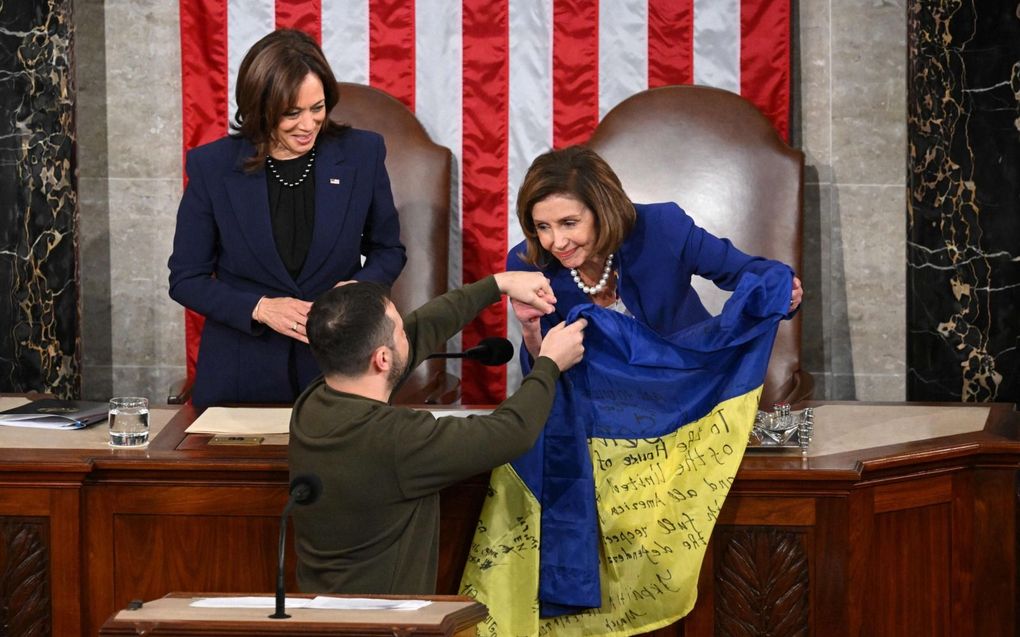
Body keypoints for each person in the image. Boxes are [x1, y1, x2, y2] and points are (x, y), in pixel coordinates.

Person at [288, 271, 587, 594]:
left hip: (323, 615)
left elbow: (420, 331)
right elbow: (512, 431)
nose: (409, 333)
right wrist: (549, 364)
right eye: (401, 330)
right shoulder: (395, 440)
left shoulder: (312, 405)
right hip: (387, 625)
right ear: (382, 358)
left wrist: (497, 285)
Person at [168, 29, 405, 406]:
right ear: (259, 107)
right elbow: (186, 278)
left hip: (339, 369)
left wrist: (356, 291)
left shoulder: (362, 154)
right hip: (241, 373)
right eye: (291, 113)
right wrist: (260, 308)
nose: (309, 124)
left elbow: (388, 250)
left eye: (318, 107)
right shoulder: (213, 167)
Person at [507, 145, 802, 368]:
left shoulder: (662, 228)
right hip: (600, 413)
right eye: (543, 227)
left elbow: (746, 272)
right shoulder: (528, 265)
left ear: (603, 211)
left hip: (689, 386)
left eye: (569, 223)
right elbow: (545, 378)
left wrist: (781, 291)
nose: (556, 242)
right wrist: (531, 332)